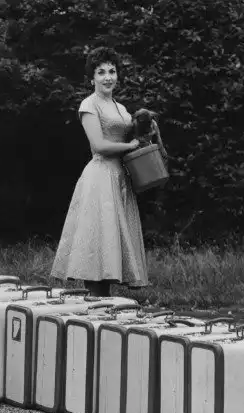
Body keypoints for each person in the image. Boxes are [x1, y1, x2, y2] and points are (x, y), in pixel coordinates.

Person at [50, 46, 150, 297]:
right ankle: (96, 302)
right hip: (100, 176)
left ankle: (105, 303)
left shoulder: (121, 108)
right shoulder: (89, 104)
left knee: (112, 243)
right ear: (92, 78)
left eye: (112, 71)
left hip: (120, 177)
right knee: (98, 243)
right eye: (101, 72)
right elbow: (99, 145)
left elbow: (133, 135)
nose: (108, 77)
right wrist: (130, 146)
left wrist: (146, 128)